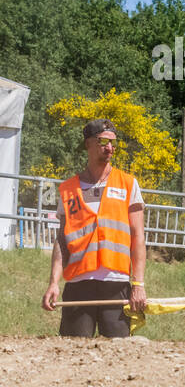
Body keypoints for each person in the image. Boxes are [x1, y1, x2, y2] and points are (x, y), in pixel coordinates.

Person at [41, 119, 148, 337]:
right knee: (73, 350)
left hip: (115, 284)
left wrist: (138, 284)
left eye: (113, 143)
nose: (110, 148)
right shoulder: (68, 189)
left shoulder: (128, 184)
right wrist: (53, 282)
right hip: (79, 284)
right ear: (88, 144)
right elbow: (62, 240)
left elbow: (138, 237)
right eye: (103, 142)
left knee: (118, 353)